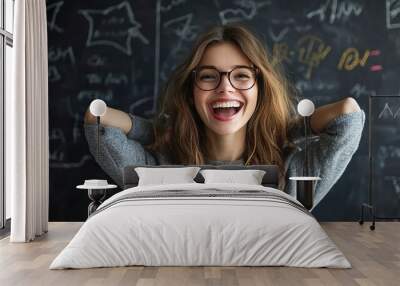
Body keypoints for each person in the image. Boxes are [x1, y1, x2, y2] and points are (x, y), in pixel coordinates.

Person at [84, 24, 365, 208]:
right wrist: (159, 131)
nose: (225, 87)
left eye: (241, 75)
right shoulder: (161, 168)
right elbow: (98, 121)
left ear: (260, 90)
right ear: (191, 92)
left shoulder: (292, 174)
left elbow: (347, 114)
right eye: (208, 76)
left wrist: (283, 128)